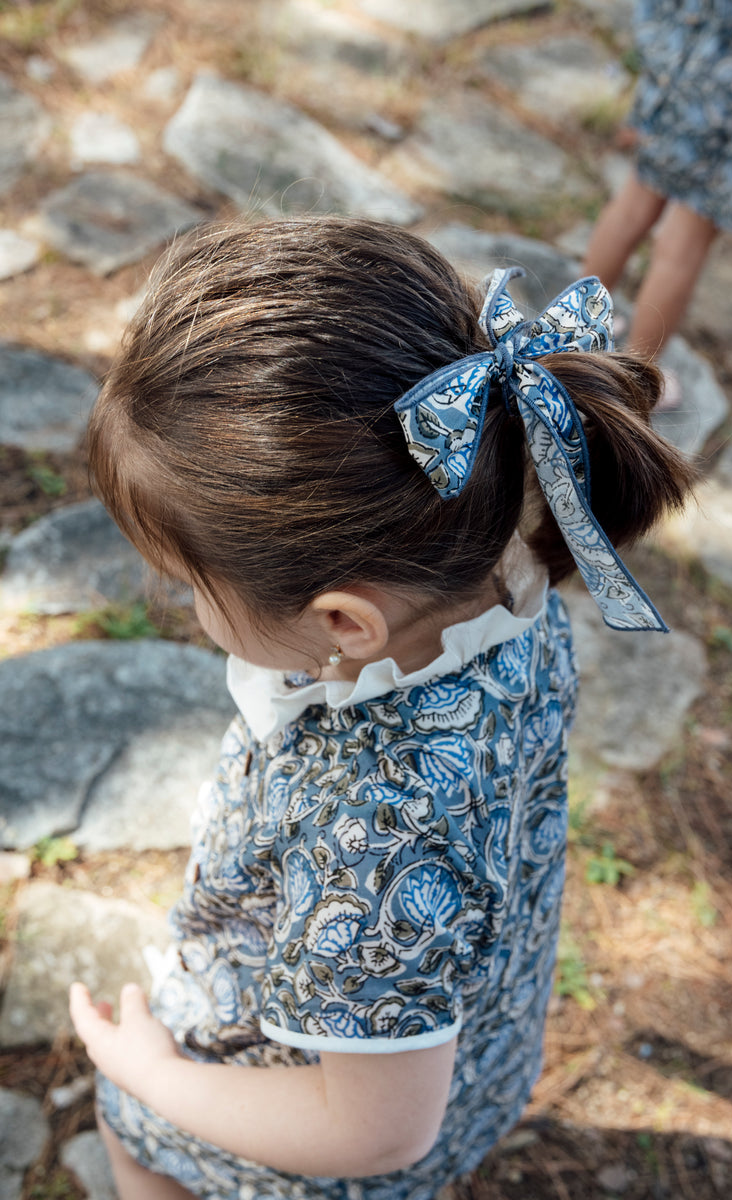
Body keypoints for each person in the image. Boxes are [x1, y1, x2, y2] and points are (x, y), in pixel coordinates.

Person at [69, 216, 695, 1200]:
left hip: (325, 1130)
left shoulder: (369, 826)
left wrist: (149, 1076)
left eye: (184, 582)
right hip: (472, 1048)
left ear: (342, 622)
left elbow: (368, 1133)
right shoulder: (495, 574)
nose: (183, 608)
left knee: (135, 1133)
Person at [582, 0, 732, 405]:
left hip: (686, 63)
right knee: (684, 245)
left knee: (635, 203)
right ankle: (631, 381)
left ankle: (572, 325)